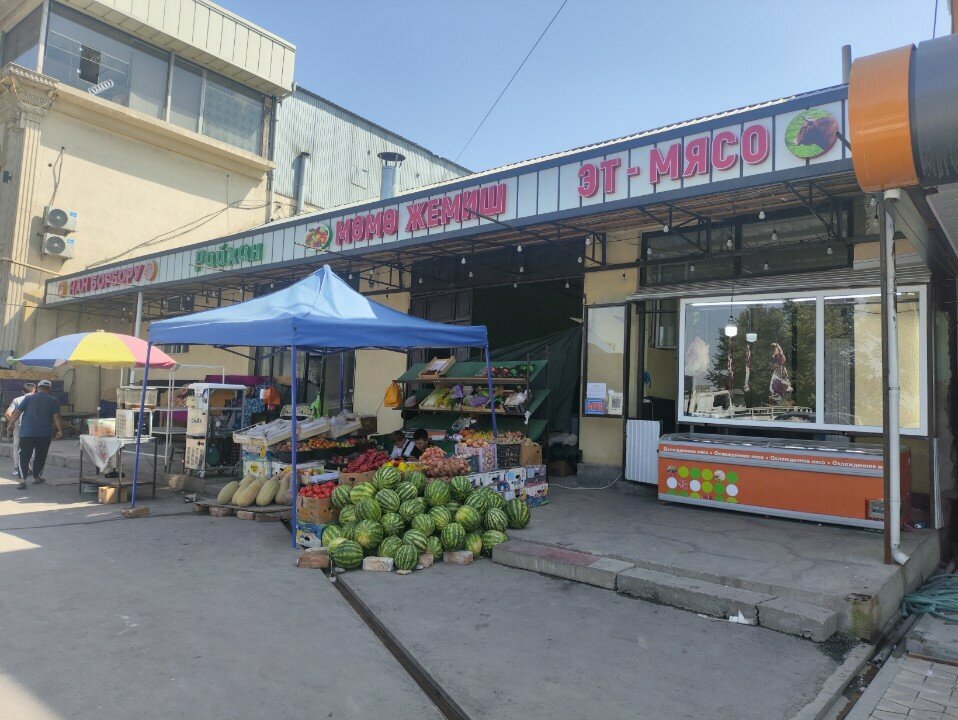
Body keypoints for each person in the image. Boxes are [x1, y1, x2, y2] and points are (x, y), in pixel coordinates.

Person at [10, 379, 62, 490]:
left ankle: (22, 480)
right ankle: (36, 477)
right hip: (44, 434)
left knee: (23, 456)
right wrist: (59, 430)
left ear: (38, 388)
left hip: (26, 433)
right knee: (40, 456)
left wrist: (10, 424)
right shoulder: (53, 400)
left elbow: (17, 412)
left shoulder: (28, 398)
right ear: (49, 389)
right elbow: (56, 416)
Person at [5, 382, 35, 479]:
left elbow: (7, 413)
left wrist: (12, 423)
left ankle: (17, 468)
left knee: (17, 447)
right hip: (31, 426)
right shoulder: (36, 399)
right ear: (34, 390)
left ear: (22, 391)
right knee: (31, 447)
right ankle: (29, 467)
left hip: (18, 426)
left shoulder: (17, 399)